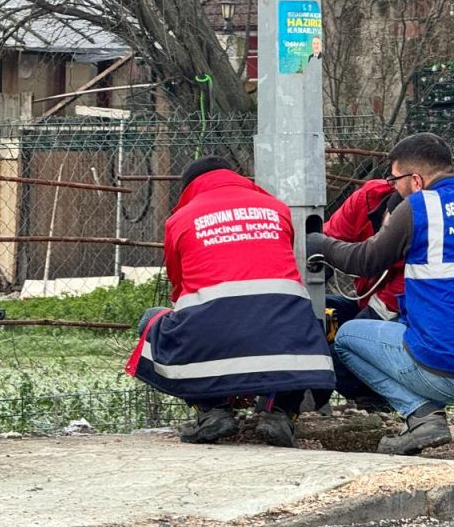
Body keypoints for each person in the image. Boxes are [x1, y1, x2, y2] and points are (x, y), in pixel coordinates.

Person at [306, 133, 454, 468]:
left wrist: (318, 243)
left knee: (349, 336)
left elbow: (365, 261)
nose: (392, 186)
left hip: (443, 371)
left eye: (395, 179)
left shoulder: (421, 206)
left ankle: (424, 418)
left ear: (415, 180)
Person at [125, 157, 334, 447]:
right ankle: (279, 412)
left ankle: (212, 410)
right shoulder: (278, 209)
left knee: (152, 318)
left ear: (189, 188)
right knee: (296, 324)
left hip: (211, 333)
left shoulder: (181, 219)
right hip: (286, 337)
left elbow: (179, 288)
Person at [316, 180, 405, 413]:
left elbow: (394, 299)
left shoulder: (425, 224)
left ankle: (376, 399)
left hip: (399, 311)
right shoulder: (368, 199)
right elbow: (330, 234)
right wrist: (318, 262)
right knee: (318, 311)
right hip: (367, 298)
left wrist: (357, 328)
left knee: (343, 347)